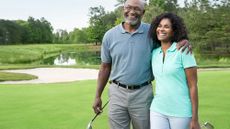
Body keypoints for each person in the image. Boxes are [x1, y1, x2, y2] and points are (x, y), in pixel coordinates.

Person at [92, 0, 191, 129]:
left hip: (142, 94)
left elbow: (170, 40)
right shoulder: (109, 35)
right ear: (123, 9)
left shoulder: (152, 32)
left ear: (143, 12)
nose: (132, 11)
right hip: (117, 93)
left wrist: (184, 40)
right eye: (128, 7)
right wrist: (97, 96)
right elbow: (105, 67)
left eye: (137, 9)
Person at [148, 13, 200, 129]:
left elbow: (193, 86)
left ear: (174, 31)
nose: (161, 29)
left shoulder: (184, 51)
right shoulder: (154, 53)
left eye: (166, 27)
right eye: (160, 26)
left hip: (181, 112)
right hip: (157, 110)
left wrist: (195, 118)